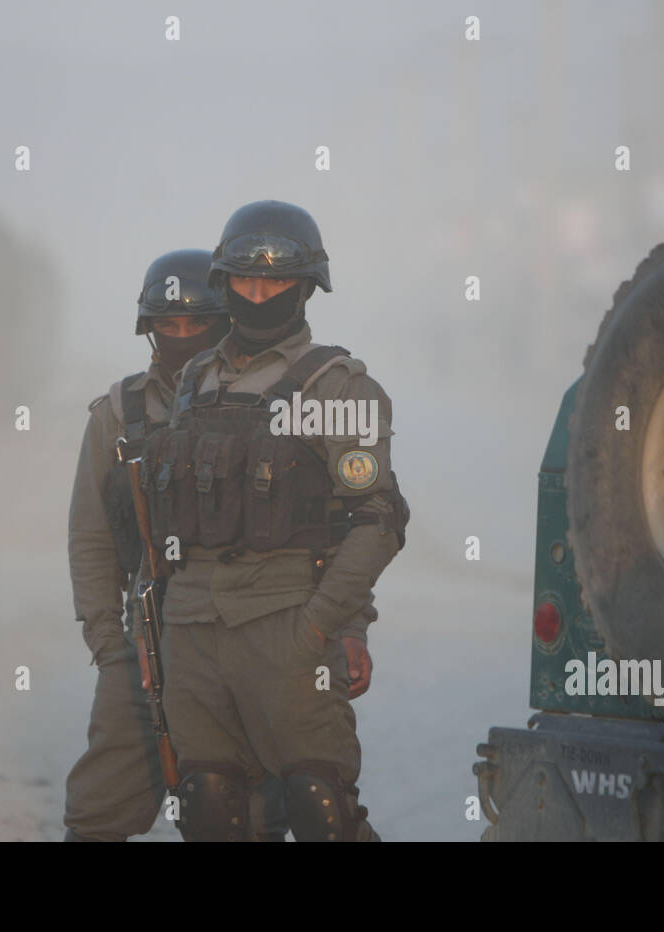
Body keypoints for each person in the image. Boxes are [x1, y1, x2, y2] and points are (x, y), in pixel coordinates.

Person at [63, 248, 381, 841]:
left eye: (198, 324)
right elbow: (91, 538)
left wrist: (343, 626)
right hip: (150, 634)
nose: (183, 336)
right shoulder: (120, 411)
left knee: (271, 808)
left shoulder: (274, 392)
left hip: (247, 630)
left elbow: (337, 524)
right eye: (168, 324)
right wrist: (111, 644)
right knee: (103, 808)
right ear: (149, 329)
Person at [144, 201, 409, 842]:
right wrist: (152, 629)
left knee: (322, 808)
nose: (258, 294)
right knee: (209, 806)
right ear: (224, 282)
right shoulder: (193, 383)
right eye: (245, 279)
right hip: (191, 631)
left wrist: (325, 625)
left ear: (306, 286)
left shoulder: (335, 387)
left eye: (277, 282)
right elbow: (164, 522)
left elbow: (376, 521)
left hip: (286, 623)